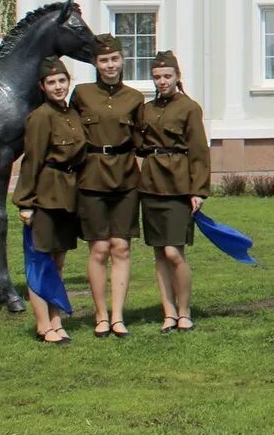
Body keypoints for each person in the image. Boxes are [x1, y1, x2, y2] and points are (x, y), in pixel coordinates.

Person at [71, 34, 145, 338]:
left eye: (114, 59)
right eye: (104, 60)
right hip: (91, 176)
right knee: (99, 248)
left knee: (122, 247)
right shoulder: (82, 94)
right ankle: (100, 316)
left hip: (126, 177)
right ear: (95, 64)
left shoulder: (135, 98)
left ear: (122, 60)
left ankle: (118, 316)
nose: (110, 65)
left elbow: (143, 141)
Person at [135, 51, 211, 335]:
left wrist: (198, 190)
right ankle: (168, 313)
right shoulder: (147, 109)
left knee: (174, 252)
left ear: (178, 77)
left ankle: (184, 310)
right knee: (158, 253)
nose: (162, 82)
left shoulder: (189, 108)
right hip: (151, 183)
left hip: (179, 185)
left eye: (167, 76)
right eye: (157, 77)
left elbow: (199, 152)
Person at [12, 57, 87, 345]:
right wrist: (26, 202)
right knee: (40, 260)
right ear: (42, 87)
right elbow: (32, 162)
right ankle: (44, 324)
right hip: (45, 194)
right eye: (52, 82)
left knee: (58, 262)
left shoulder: (72, 115)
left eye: (62, 81)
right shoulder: (40, 117)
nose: (58, 87)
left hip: (68, 194)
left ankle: (56, 318)